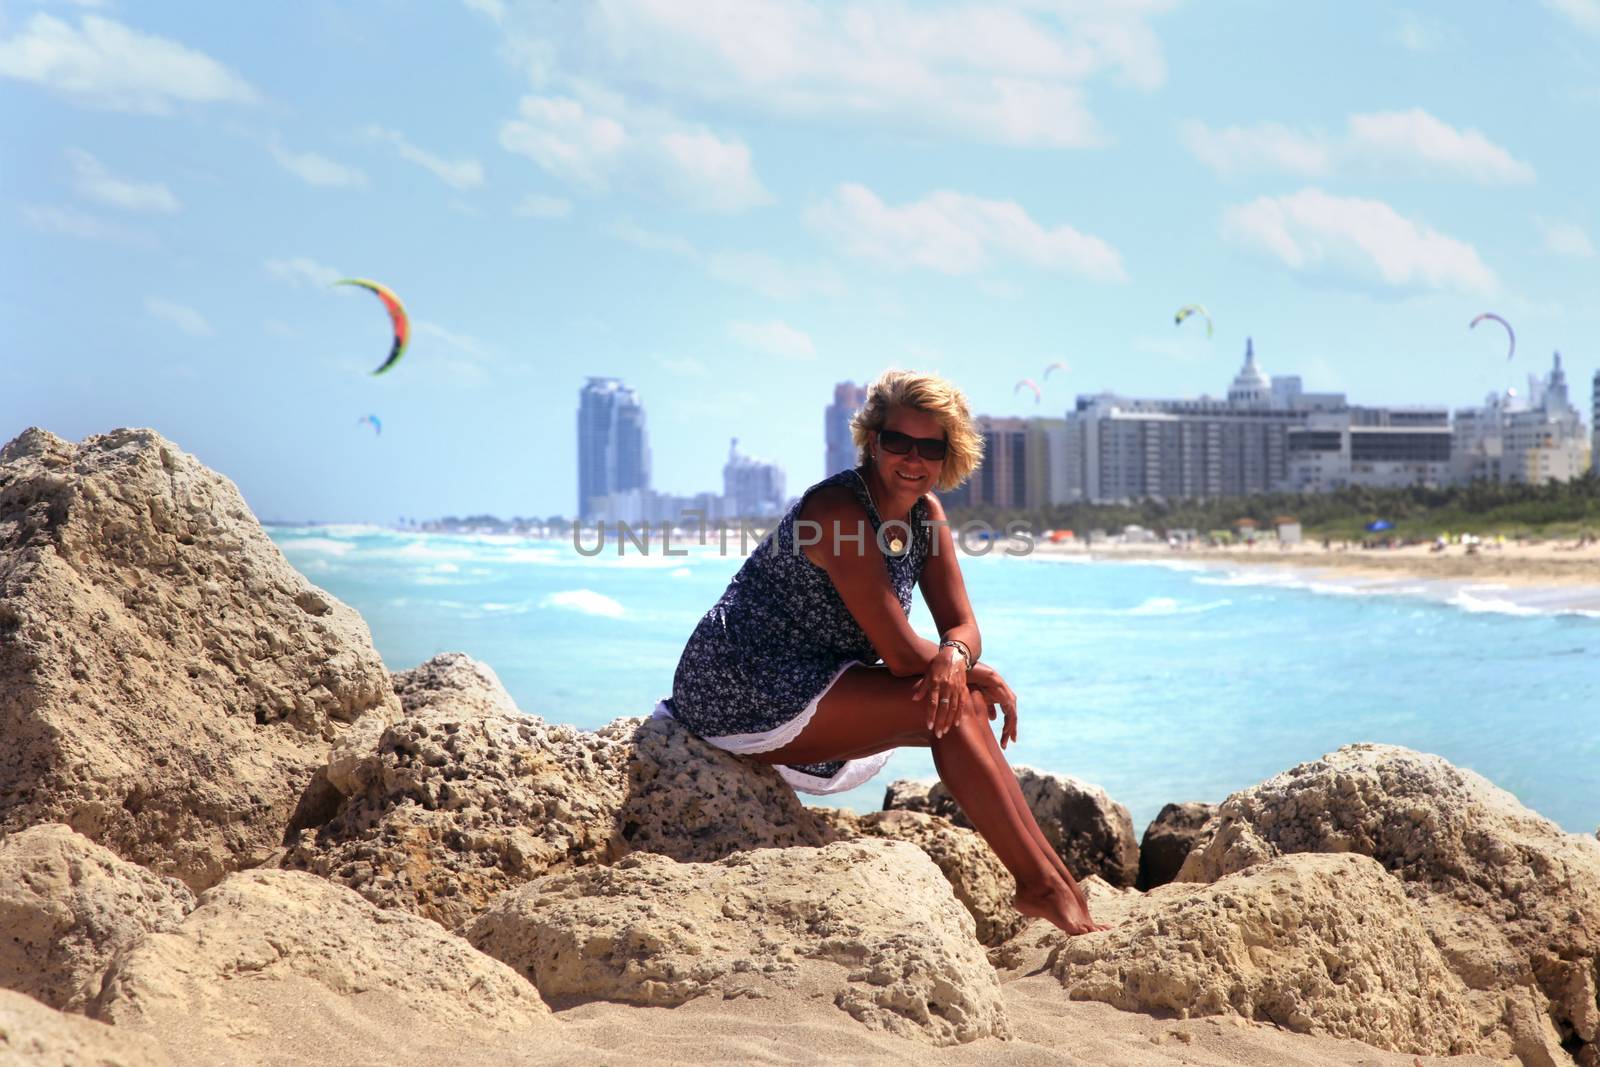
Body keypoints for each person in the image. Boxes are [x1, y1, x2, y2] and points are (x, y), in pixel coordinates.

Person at [656, 369, 1106, 936]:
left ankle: (1055, 887)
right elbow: (898, 653)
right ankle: (1044, 889)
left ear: (949, 455)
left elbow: (963, 624)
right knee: (953, 705)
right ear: (873, 441)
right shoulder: (838, 511)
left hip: (819, 676)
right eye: (898, 442)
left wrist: (961, 658)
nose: (912, 459)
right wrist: (966, 666)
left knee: (956, 699)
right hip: (739, 680)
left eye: (930, 447)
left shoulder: (925, 517)